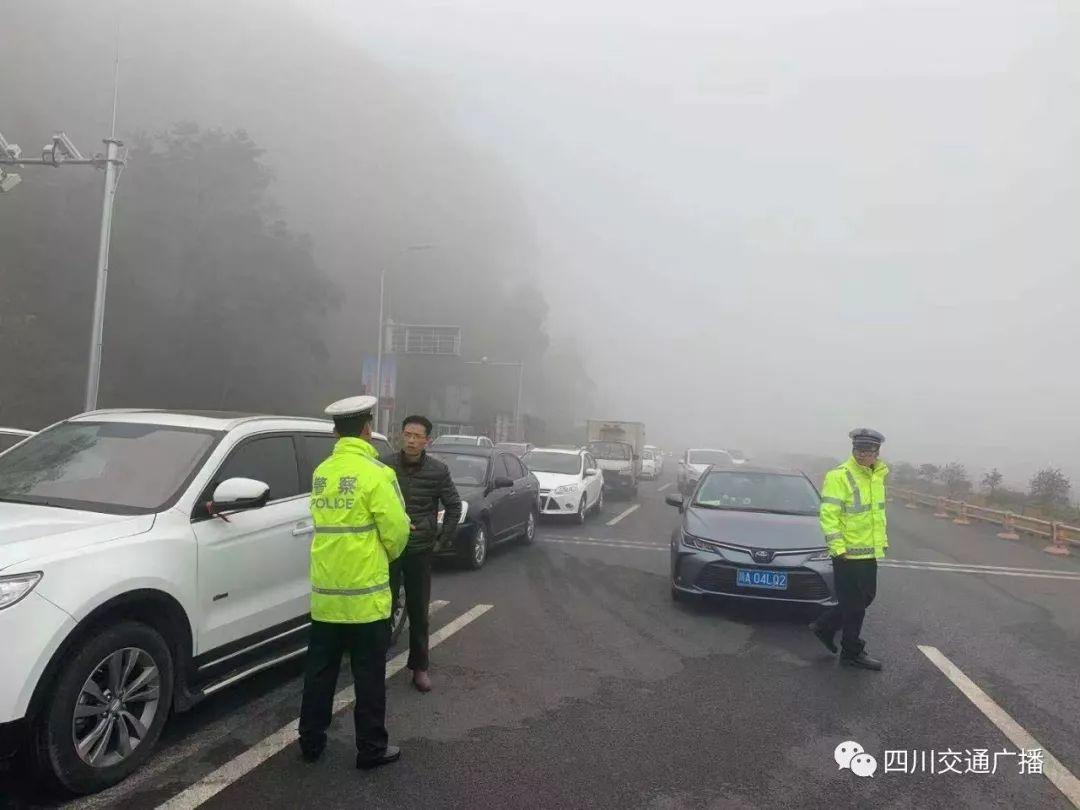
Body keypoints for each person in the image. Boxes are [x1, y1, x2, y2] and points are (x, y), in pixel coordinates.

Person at [298, 395, 411, 768]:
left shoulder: (322, 473)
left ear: (335, 431)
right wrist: (384, 556)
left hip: (326, 598)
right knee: (368, 677)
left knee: (319, 673)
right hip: (366, 600)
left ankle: (310, 742)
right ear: (367, 430)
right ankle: (371, 749)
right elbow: (396, 533)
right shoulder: (379, 474)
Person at [382, 415, 462, 692]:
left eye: (417, 436)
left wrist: (441, 540)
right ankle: (374, 663)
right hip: (389, 550)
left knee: (418, 611)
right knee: (383, 608)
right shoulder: (386, 466)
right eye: (407, 435)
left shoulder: (438, 471)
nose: (412, 440)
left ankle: (420, 667)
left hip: (419, 550)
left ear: (427, 440)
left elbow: (454, 506)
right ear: (401, 436)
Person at [809, 428, 889, 671]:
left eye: (869, 450)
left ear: (877, 452)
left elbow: (875, 515)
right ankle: (852, 651)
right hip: (846, 553)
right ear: (853, 450)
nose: (864, 454)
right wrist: (838, 548)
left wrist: (879, 543)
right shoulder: (839, 475)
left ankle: (824, 626)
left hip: (868, 551)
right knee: (854, 606)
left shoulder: (877, 476)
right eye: (859, 450)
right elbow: (829, 514)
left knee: (866, 598)